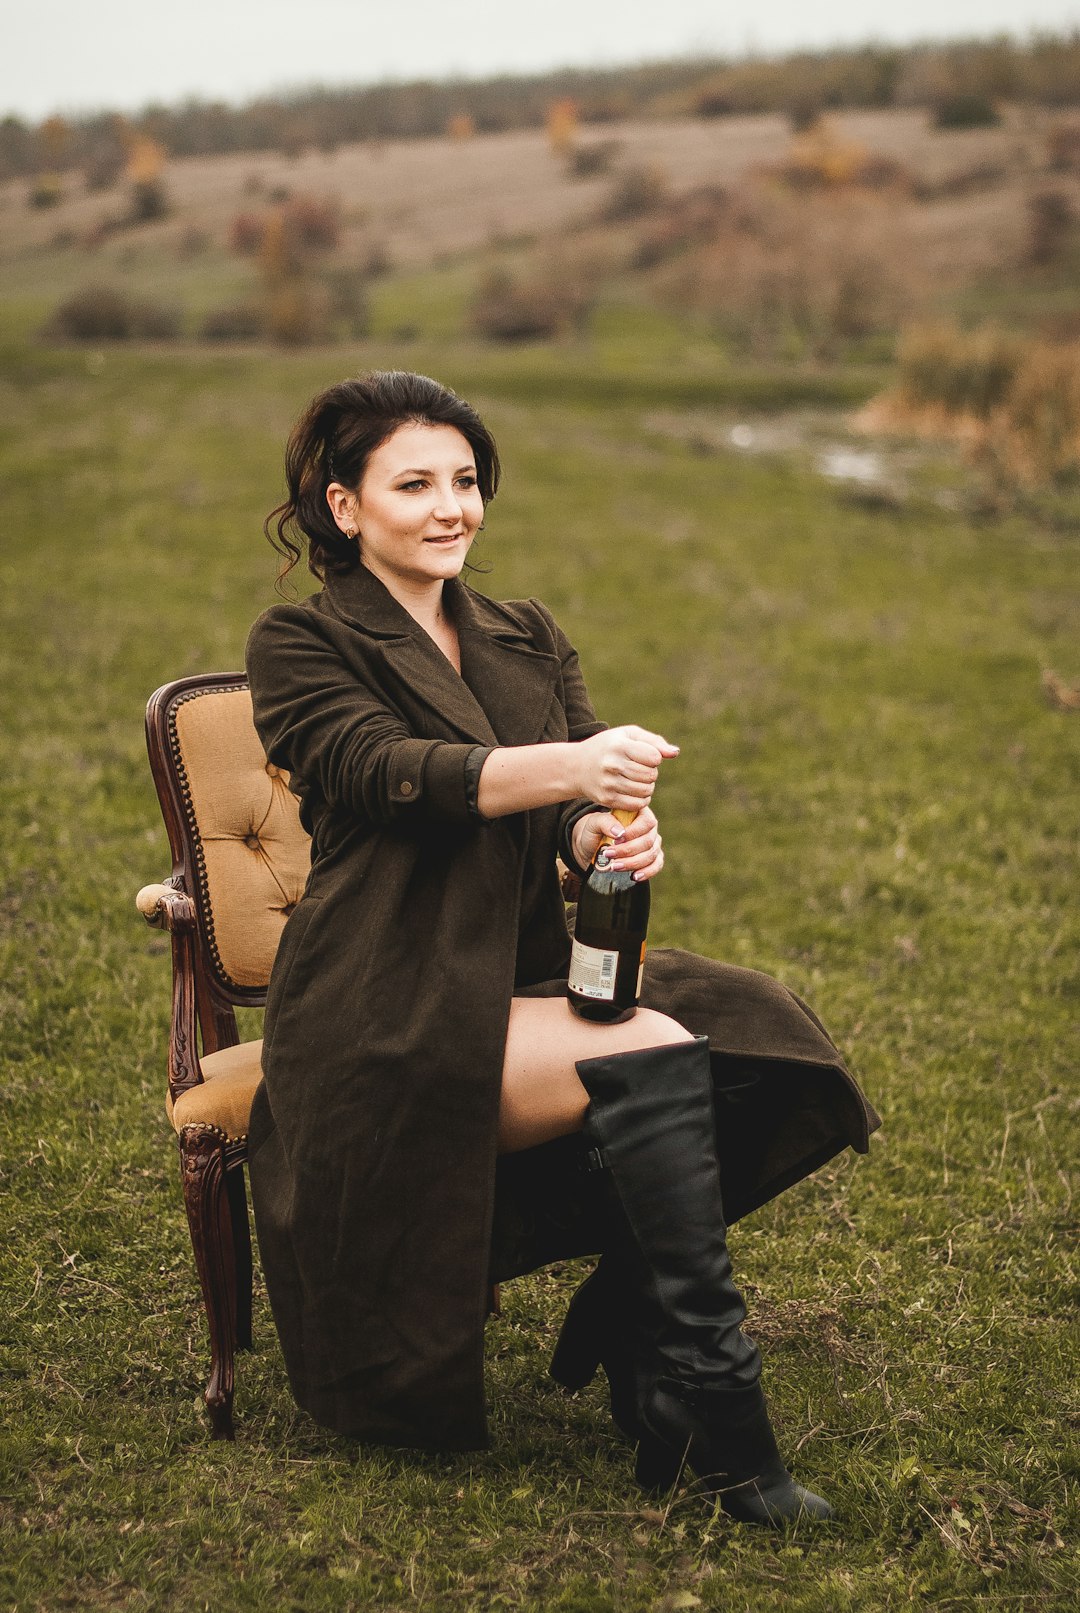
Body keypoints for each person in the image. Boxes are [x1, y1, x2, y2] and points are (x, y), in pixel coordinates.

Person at [245, 370, 879, 1525]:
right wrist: (574, 772)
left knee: (763, 1035)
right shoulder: (302, 640)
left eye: (468, 480)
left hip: (524, 963)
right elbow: (394, 773)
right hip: (383, 992)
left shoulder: (521, 630)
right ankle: (717, 1418)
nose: (452, 507)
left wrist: (607, 830)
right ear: (345, 507)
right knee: (648, 1050)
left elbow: (571, 805)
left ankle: (633, 1312)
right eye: (415, 483)